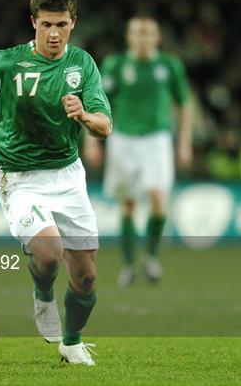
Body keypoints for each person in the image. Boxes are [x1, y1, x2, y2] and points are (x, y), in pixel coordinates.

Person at [0, 0, 111, 365]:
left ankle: (72, 342)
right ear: (33, 22)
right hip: (19, 176)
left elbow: (105, 125)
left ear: (74, 23)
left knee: (86, 275)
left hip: (68, 176)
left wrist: (84, 115)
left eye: (62, 25)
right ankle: (42, 294)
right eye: (46, 24)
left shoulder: (82, 64)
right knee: (50, 254)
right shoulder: (6, 61)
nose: (54, 33)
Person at [84, 17, 192, 286]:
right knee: (128, 203)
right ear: (128, 38)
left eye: (148, 35)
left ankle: (151, 257)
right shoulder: (116, 65)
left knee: (157, 198)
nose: (143, 40)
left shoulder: (169, 65)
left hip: (157, 139)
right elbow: (96, 102)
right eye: (137, 35)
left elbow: (184, 105)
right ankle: (129, 265)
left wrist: (184, 143)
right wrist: (92, 142)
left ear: (157, 38)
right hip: (123, 140)